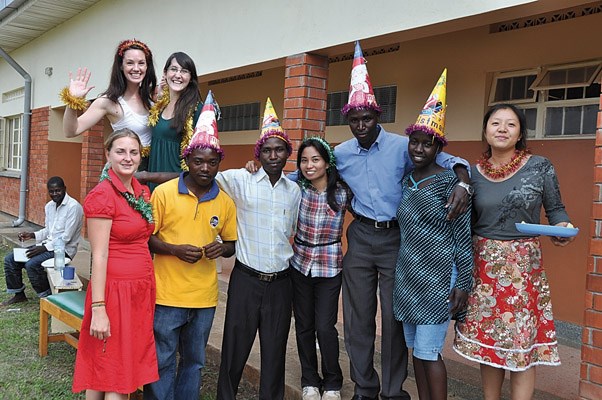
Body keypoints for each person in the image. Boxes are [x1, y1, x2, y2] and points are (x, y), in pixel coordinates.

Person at [335, 41, 471, 400]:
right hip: (361, 235)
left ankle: (393, 391)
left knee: (395, 320)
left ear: (378, 117)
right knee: (357, 319)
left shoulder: (405, 145)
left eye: (367, 118)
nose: (361, 125)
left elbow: (449, 159)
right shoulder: (340, 153)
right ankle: (365, 388)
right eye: (354, 120)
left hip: (399, 240)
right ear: (347, 120)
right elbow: (310, 173)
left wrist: (464, 180)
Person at [453, 103, 575, 399]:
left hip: (523, 269)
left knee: (521, 344)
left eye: (510, 124)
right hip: (483, 267)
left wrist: (562, 226)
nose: (502, 129)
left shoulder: (540, 166)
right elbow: (465, 223)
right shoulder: (472, 174)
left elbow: (556, 209)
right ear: (485, 130)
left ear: (520, 133)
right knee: (490, 344)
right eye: (496, 123)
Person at [144, 92, 237, 400]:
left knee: (195, 362)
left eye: (212, 162)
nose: (205, 168)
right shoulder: (165, 194)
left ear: (219, 163)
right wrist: (173, 249)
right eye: (198, 161)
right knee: (163, 357)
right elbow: (147, 238)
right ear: (187, 159)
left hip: (204, 297)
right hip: (167, 294)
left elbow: (231, 244)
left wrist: (219, 249)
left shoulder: (224, 201)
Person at [393, 70, 473, 400]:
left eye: (428, 144)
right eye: (415, 142)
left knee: (430, 353)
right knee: (416, 352)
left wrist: (464, 285)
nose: (420, 149)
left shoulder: (450, 185)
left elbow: (463, 238)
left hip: (438, 279)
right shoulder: (406, 181)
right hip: (408, 278)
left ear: (438, 148)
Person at [216, 98, 302, 400]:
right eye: (266, 150)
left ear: (288, 153)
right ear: (258, 154)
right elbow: (201, 178)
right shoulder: (241, 179)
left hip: (281, 284)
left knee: (275, 354)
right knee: (234, 351)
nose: (273, 155)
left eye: (279, 150)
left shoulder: (296, 192)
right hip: (246, 280)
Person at [72, 129, 158, 398]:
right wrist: (99, 308)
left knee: (107, 366)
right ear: (108, 154)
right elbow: (99, 255)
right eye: (120, 151)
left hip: (137, 292)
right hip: (114, 292)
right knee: (117, 373)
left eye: (134, 152)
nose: (128, 157)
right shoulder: (103, 195)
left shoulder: (139, 191)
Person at [291, 137, 352, 400]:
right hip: (300, 264)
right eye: (304, 160)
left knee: (325, 326)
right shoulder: (295, 188)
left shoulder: (342, 191)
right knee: (304, 325)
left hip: (329, 267)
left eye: (315, 159)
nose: (309, 165)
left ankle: (332, 382)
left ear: (327, 162)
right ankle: (310, 381)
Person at [62, 39, 157, 171]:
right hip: (126, 169)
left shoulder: (153, 99)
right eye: (130, 63)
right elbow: (71, 131)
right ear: (121, 66)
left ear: (147, 66)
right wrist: (72, 101)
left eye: (141, 63)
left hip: (153, 168)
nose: (136, 68)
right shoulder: (108, 101)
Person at [2, 177, 83, 305]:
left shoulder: (74, 207)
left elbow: (66, 237)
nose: (55, 194)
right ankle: (19, 294)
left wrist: (44, 248)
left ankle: (48, 298)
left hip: (64, 250)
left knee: (32, 264)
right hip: (47, 245)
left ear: (64, 189)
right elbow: (48, 231)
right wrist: (32, 235)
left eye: (58, 190)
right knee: (10, 259)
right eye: (51, 191)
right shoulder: (49, 206)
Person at [144, 52, 203, 190]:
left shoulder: (197, 109)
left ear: (190, 78)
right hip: (153, 180)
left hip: (178, 185)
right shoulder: (159, 105)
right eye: (174, 69)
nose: (178, 75)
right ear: (165, 73)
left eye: (184, 71)